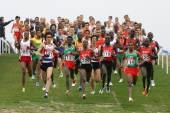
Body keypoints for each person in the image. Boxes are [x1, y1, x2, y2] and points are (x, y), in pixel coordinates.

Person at [36, 31, 58, 98]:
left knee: (48, 77)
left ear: (51, 38)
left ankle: (46, 93)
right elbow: (37, 53)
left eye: (50, 37)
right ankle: (45, 83)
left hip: (50, 63)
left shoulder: (53, 45)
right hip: (43, 63)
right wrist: (43, 55)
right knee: (43, 79)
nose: (49, 38)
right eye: (47, 37)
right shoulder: (43, 44)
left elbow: (56, 52)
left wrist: (57, 51)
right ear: (45, 38)